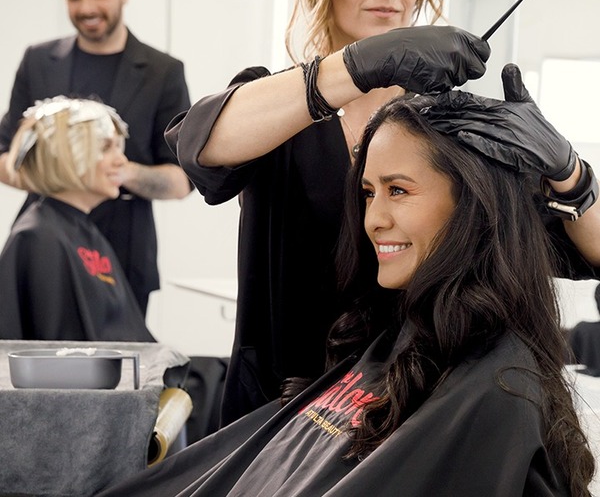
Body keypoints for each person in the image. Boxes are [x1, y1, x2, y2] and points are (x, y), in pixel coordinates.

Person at [164, 0, 600, 426]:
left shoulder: (454, 131)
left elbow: (588, 254)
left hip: (414, 423)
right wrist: (359, 67)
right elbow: (198, 146)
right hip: (278, 420)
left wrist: (570, 175)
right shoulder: (277, 109)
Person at [96, 90, 595, 496]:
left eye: (398, 190)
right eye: (368, 193)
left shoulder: (496, 389)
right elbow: (195, 142)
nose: (373, 219)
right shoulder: (393, 342)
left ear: (472, 203)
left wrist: (572, 176)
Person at [0, 0, 192, 316]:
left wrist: (114, 170)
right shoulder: (38, 62)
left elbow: (181, 181)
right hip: (44, 250)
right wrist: (58, 175)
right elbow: (5, 154)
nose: (86, 8)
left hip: (123, 253)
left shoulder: (163, 73)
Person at [0, 96, 154, 342]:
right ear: (67, 156)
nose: (122, 160)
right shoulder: (39, 238)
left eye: (118, 147)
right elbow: (56, 349)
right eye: (105, 148)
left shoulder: (81, 230)